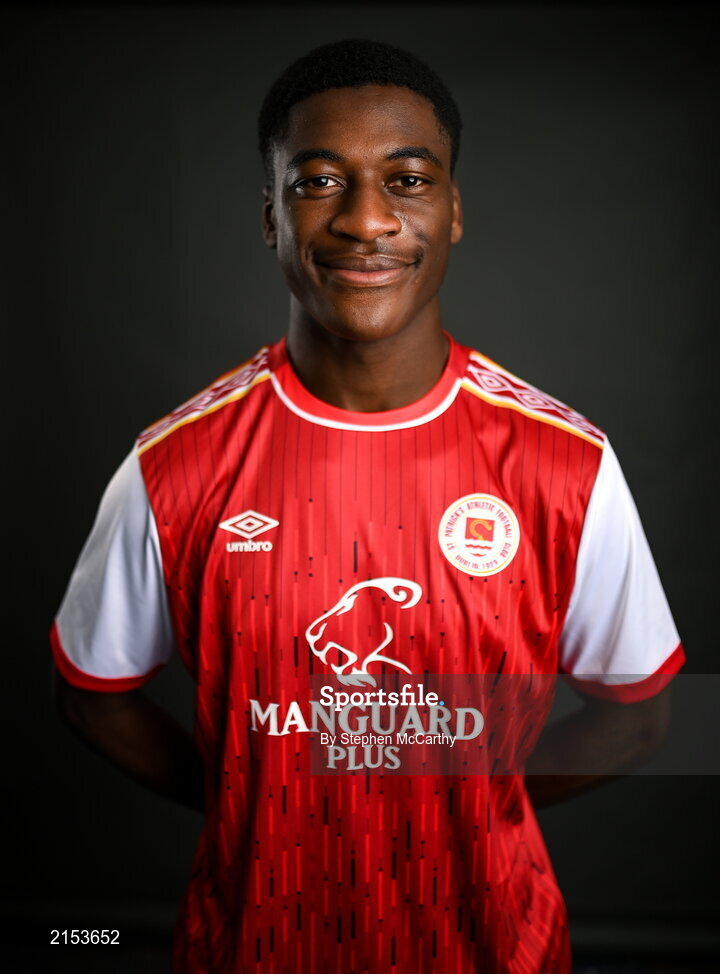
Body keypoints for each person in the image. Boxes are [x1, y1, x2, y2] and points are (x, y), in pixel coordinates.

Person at [51, 38, 686, 974]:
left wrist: (470, 796)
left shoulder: (566, 463)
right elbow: (91, 697)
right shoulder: (173, 467)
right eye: (318, 182)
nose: (366, 220)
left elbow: (642, 714)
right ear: (270, 217)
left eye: (409, 178)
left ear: (455, 210)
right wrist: (249, 796)